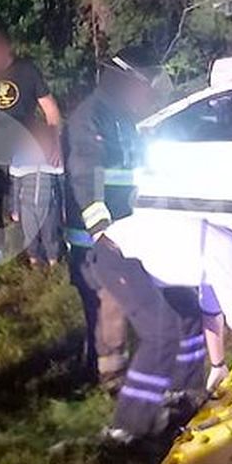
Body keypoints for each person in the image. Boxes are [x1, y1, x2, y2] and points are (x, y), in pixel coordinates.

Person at [92, 212, 232, 458]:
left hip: (135, 259)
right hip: (115, 256)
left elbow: (210, 312)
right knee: (162, 336)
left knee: (189, 317)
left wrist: (218, 365)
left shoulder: (229, 248)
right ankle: (125, 430)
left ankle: (180, 397)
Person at [63, 56, 158, 390]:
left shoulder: (119, 117)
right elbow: (86, 176)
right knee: (108, 303)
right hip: (96, 237)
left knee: (110, 304)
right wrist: (102, 230)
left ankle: (99, 365)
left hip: (118, 229)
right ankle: (111, 377)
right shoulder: (92, 117)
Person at [0, 27, 62, 257]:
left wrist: (54, 143)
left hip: (25, 150)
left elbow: (51, 110)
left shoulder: (27, 71)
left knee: (28, 203)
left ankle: (36, 251)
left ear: (6, 48)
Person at [10, 124, 65, 267]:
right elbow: (15, 187)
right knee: (30, 236)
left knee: (50, 235)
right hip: (26, 206)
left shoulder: (55, 159)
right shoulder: (20, 159)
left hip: (50, 206)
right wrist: (15, 209)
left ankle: (54, 265)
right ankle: (34, 264)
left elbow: (62, 188)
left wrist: (63, 210)